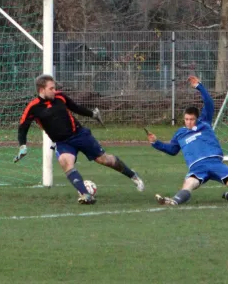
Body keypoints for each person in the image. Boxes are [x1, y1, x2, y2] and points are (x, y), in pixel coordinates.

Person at [16, 74, 145, 204]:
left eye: (55, 88)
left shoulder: (60, 97)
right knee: (65, 162)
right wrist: (23, 146)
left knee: (105, 160)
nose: (55, 91)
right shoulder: (33, 107)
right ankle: (86, 195)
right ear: (41, 90)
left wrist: (92, 114)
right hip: (62, 142)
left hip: (80, 135)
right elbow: (22, 128)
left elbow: (75, 107)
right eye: (51, 88)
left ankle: (134, 176)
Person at [146, 75, 228, 206]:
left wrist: (199, 86)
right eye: (186, 119)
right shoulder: (180, 134)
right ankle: (173, 201)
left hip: (215, 163)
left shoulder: (204, 123)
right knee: (189, 184)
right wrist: (156, 142)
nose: (188, 122)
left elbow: (209, 103)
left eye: (191, 119)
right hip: (197, 168)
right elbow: (172, 150)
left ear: (197, 118)